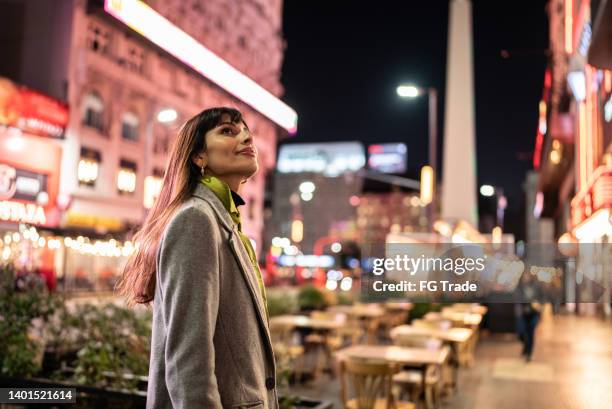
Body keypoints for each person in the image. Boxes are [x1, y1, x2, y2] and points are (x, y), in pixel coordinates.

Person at [116, 107, 277, 408]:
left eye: (246, 131)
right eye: (228, 131)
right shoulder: (196, 219)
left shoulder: (225, 222)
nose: (245, 137)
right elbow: (188, 361)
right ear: (199, 157)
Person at [516, 272, 542, 362]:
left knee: (531, 333)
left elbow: (542, 297)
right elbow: (517, 299)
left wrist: (538, 304)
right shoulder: (520, 287)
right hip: (523, 314)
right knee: (521, 333)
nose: (526, 278)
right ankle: (525, 348)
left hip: (534, 313)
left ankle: (529, 353)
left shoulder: (536, 287)